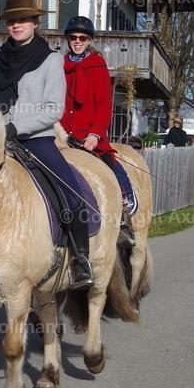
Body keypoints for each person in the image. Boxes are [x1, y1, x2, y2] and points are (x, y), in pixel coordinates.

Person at [0, 0, 93, 289]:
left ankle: (81, 259)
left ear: (35, 23)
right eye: (11, 21)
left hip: (36, 141)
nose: (16, 25)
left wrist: (15, 127)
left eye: (23, 20)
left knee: (72, 193)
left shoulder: (51, 60)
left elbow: (53, 109)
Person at [59, 15, 136, 245]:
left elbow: (104, 105)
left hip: (88, 136)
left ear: (90, 40)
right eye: (73, 37)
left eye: (83, 38)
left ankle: (123, 210)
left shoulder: (98, 66)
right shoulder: (58, 66)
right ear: (68, 39)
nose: (78, 41)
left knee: (109, 166)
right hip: (61, 135)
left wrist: (94, 133)